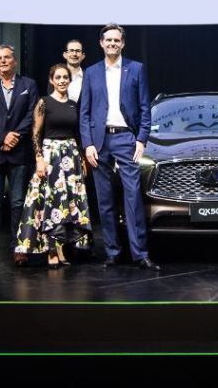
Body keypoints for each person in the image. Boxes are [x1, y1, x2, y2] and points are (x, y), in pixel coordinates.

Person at [79, 24, 159, 271]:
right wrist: (88, 144)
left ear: (122, 43)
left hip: (126, 139)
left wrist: (141, 139)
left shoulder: (136, 69)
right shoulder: (91, 72)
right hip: (99, 141)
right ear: (101, 43)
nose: (112, 43)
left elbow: (145, 107)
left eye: (116, 40)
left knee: (132, 197)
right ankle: (113, 252)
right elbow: (84, 112)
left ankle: (140, 254)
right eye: (108, 40)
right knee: (104, 200)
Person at [16, 63, 92, 268]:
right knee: (51, 203)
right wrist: (39, 159)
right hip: (51, 155)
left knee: (67, 205)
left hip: (71, 157)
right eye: (57, 77)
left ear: (70, 80)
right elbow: (35, 133)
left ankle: (61, 248)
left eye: (65, 77)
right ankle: (51, 249)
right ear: (51, 80)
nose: (62, 81)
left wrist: (82, 158)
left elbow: (77, 133)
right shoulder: (44, 102)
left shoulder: (73, 104)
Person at [0, 45, 39, 269]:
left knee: (18, 202)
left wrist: (15, 136)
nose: (3, 61)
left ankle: (18, 248)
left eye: (7, 57)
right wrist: (3, 137)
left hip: (19, 152)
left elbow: (32, 114)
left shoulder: (28, 85)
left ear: (15, 61)